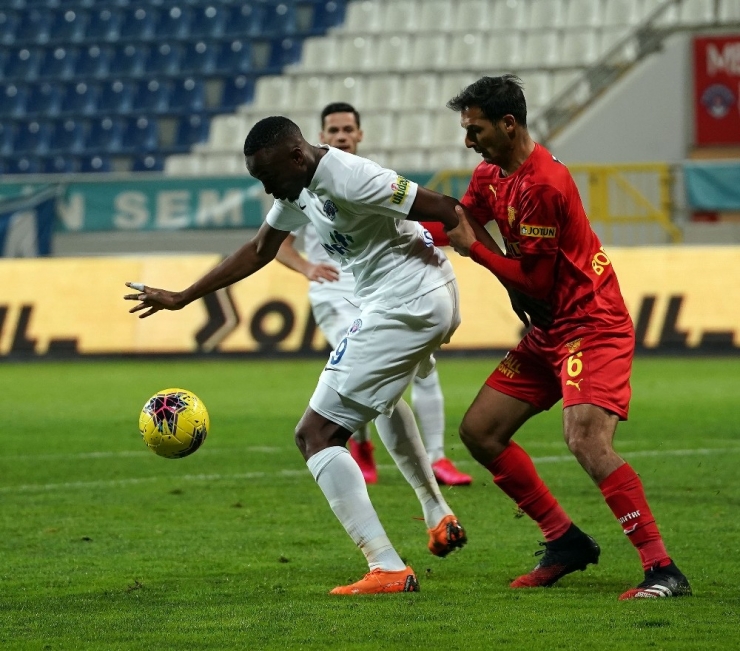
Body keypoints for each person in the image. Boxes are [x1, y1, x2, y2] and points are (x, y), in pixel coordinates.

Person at [124, 116, 470, 595]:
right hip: (411, 300)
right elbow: (260, 248)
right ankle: (437, 514)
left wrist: (509, 274)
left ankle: (386, 566)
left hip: (407, 303)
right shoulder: (295, 187)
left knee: (315, 434)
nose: (266, 188)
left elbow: (445, 207)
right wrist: (184, 296)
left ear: (296, 156)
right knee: (384, 402)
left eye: (267, 176)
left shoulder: (351, 176)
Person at [440, 75, 691, 600]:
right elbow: (460, 217)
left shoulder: (544, 184)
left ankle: (663, 569)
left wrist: (473, 248)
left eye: (476, 129)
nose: (468, 141)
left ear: (509, 124)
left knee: (585, 439)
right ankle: (565, 541)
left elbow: (532, 280)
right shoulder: (491, 173)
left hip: (590, 324)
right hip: (549, 328)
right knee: (480, 431)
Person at [274, 101, 472, 486]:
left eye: (349, 129)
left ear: (360, 135)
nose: (342, 136)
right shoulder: (303, 183)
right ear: (321, 137)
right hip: (333, 291)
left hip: (384, 287)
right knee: (364, 371)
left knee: (423, 372)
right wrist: (307, 267)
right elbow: (274, 244)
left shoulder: (362, 177)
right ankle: (360, 447)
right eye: (334, 131)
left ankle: (437, 458)